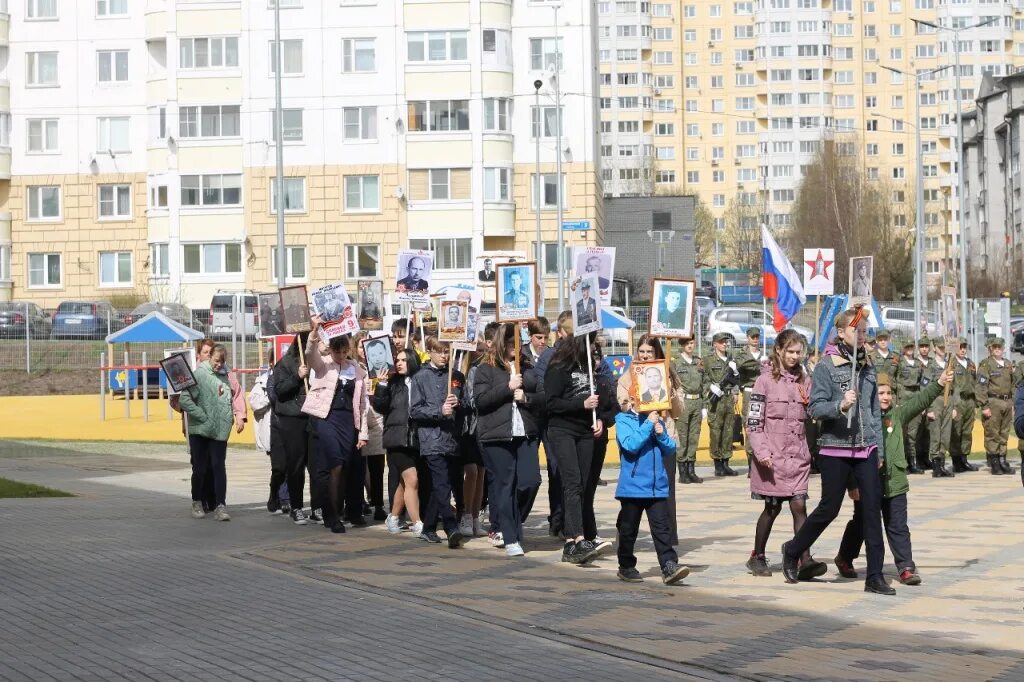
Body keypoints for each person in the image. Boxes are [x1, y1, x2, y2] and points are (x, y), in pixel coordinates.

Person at [780, 309, 891, 595]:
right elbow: (815, 408)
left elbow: (874, 412)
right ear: (841, 333)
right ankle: (793, 549)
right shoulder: (826, 367)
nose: (863, 336)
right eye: (857, 331)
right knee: (830, 508)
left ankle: (875, 576)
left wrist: (879, 450)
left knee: (870, 510)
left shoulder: (867, 365)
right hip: (835, 448)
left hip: (865, 448)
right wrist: (840, 405)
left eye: (865, 332)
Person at [835, 367, 953, 586]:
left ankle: (906, 567)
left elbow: (920, 400)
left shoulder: (897, 415)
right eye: (880, 393)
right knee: (861, 524)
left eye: (888, 393)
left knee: (898, 525)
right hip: (868, 483)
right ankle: (844, 557)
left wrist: (939, 383)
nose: (886, 397)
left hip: (895, 482)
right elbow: (850, 454)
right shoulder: (861, 419)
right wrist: (852, 484)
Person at [744, 329, 822, 578]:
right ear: (778, 350)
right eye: (790, 351)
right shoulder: (764, 381)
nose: (794, 356)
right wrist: (762, 451)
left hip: (797, 457)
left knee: (799, 505)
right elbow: (754, 421)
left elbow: (814, 413)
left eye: (798, 352)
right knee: (772, 507)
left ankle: (804, 557)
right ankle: (757, 555)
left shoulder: (805, 382)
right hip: (772, 458)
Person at [473, 324, 543, 557]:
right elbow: (481, 401)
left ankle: (513, 521)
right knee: (504, 485)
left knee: (529, 481)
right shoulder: (486, 368)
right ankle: (510, 536)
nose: (516, 348)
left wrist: (527, 397)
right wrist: (507, 387)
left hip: (525, 433)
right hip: (497, 434)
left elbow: (542, 396)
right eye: (512, 343)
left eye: (519, 343)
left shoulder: (529, 366)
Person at [301, 319, 370, 533]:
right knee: (335, 463)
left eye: (343, 352)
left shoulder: (357, 369)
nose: (340, 356)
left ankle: (336, 509)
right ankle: (331, 515)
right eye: (336, 351)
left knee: (344, 467)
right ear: (330, 349)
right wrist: (314, 332)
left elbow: (362, 403)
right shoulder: (323, 365)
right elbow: (310, 354)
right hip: (327, 419)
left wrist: (363, 432)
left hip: (348, 422)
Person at [617, 335, 683, 544]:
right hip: (639, 441)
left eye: (650, 352)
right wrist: (636, 402)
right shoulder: (627, 376)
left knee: (666, 492)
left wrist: (669, 393)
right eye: (642, 351)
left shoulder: (668, 374)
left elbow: (679, 411)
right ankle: (625, 541)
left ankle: (668, 542)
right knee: (632, 498)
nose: (645, 356)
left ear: (657, 353)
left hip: (663, 438)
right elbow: (623, 404)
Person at [544, 332, 604, 564]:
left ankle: (575, 537)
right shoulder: (559, 367)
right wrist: (581, 404)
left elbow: (601, 399)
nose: (593, 350)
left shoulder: (589, 367)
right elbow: (552, 403)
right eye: (590, 344)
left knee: (583, 486)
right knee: (572, 483)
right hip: (563, 430)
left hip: (585, 431)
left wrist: (599, 418)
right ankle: (575, 538)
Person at [613, 407, 690, 585]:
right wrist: (648, 424)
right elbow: (630, 445)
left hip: (657, 487)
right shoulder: (623, 420)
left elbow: (670, 449)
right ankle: (626, 566)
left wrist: (662, 434)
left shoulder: (656, 418)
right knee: (628, 529)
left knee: (662, 529)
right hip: (633, 487)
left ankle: (669, 565)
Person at [410, 336, 468, 548]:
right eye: (440, 351)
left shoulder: (458, 376)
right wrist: (439, 411)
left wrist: (458, 403)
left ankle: (428, 527)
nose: (444, 356)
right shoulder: (420, 377)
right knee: (442, 483)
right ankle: (451, 525)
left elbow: (468, 406)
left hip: (452, 439)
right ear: (430, 352)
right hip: (431, 439)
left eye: (447, 352)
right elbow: (414, 410)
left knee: (440, 486)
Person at [178, 345, 237, 522]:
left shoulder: (225, 376)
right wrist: (202, 415)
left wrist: (231, 417)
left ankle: (220, 505)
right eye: (216, 361)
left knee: (219, 467)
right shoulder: (199, 375)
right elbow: (184, 399)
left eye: (222, 361)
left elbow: (229, 398)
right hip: (201, 429)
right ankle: (197, 501)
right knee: (200, 468)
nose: (219, 365)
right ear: (209, 357)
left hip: (220, 430)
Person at [374, 347, 425, 537]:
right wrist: (381, 385)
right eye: (398, 360)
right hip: (396, 438)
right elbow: (380, 407)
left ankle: (394, 516)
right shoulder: (392, 383)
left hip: (416, 438)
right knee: (412, 479)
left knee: (405, 484)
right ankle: (418, 523)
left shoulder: (420, 380)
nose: (400, 363)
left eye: (404, 360)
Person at [533, 313, 569, 539]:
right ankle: (557, 518)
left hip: (573, 421)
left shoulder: (585, 352)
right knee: (555, 470)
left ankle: (567, 519)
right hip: (549, 419)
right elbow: (539, 386)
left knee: (566, 474)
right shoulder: (549, 356)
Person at [270, 332, 312, 524]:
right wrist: (298, 377)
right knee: (295, 466)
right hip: (293, 418)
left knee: (317, 465)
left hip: (314, 416)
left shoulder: (320, 362)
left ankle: (318, 506)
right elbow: (279, 390)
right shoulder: (285, 363)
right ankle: (296, 506)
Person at [353, 331, 387, 522]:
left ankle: (379, 503)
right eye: (360, 346)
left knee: (377, 466)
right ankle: (359, 501)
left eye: (367, 346)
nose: (364, 350)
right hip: (359, 418)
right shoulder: (351, 366)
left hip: (376, 417)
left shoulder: (380, 365)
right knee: (358, 465)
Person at [703, 332, 740, 476]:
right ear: (714, 344)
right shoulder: (708, 360)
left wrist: (736, 391)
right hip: (716, 400)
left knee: (728, 431)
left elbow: (736, 378)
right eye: (721, 342)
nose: (724, 344)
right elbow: (703, 377)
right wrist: (711, 387)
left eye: (726, 342)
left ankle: (726, 462)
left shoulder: (731, 359)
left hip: (728, 398)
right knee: (716, 431)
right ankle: (717, 463)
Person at [977, 337, 1016, 475]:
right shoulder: (986, 365)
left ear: (1003, 348)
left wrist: (1013, 403)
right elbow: (981, 387)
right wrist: (984, 406)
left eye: (999, 347)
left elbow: (1013, 385)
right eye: (995, 347)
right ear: (990, 349)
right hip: (993, 402)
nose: (997, 349)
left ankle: (1002, 460)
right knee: (992, 433)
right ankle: (994, 462)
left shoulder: (1007, 364)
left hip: (1007, 401)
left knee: (1004, 433)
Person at [735, 327, 768, 476]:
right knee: (750, 425)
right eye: (752, 337)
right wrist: (758, 363)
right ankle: (750, 463)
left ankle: (759, 459)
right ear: (747, 338)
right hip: (749, 392)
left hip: (762, 392)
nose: (755, 339)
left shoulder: (764, 354)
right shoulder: (742, 355)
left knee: (762, 424)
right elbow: (741, 366)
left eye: (757, 337)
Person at [894, 338, 926, 475]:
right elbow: (894, 381)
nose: (909, 350)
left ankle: (913, 462)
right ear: (903, 349)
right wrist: (895, 401)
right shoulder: (899, 363)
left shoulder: (919, 364)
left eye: (911, 347)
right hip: (903, 397)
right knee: (902, 432)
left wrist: (923, 403)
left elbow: (923, 383)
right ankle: (902, 462)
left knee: (913, 432)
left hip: (915, 396)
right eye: (907, 347)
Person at [924, 338, 955, 477]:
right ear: (934, 348)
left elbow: (956, 386)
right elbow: (924, 387)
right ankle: (936, 465)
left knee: (946, 434)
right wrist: (929, 409)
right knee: (935, 433)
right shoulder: (930, 366)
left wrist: (955, 406)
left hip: (948, 401)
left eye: (944, 348)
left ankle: (942, 463)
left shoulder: (950, 364)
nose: (942, 350)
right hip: (935, 401)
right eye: (940, 348)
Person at [950, 337, 979, 472]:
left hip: (970, 401)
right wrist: (952, 406)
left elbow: (976, 384)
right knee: (956, 431)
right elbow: (949, 386)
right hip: (958, 401)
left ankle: (964, 458)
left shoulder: (971, 363)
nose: (962, 350)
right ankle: (956, 460)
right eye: (960, 347)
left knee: (967, 431)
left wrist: (976, 405)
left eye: (964, 347)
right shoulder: (951, 363)